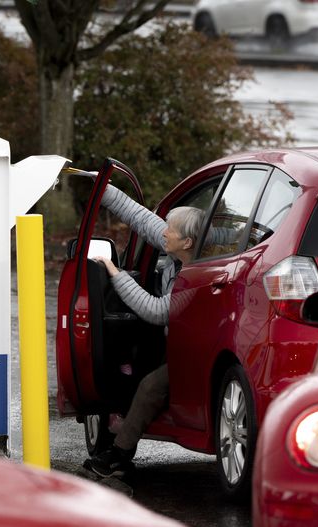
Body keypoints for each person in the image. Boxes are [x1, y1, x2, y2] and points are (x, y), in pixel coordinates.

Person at [86, 184, 205, 478]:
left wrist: (115, 273)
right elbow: (142, 219)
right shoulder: (181, 254)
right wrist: (103, 189)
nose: (164, 232)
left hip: (198, 353)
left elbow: (156, 310)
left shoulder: (195, 278)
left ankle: (120, 455)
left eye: (171, 230)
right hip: (177, 342)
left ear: (187, 242)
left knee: (151, 386)